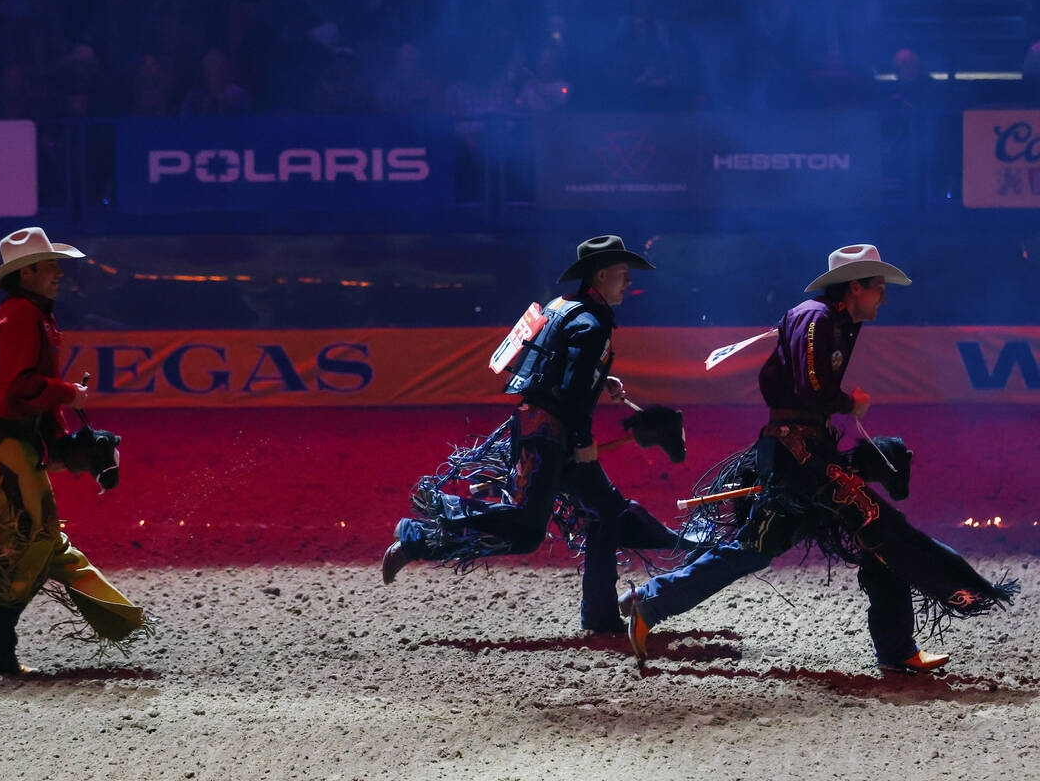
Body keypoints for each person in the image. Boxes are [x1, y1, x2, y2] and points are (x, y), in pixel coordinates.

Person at [618, 244, 1018, 673]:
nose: (884, 297)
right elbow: (813, 389)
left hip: (801, 454)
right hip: (801, 458)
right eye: (878, 288)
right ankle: (921, 628)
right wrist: (850, 402)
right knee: (882, 529)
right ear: (856, 288)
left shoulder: (830, 319)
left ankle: (652, 601)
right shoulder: (819, 319)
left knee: (764, 548)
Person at [382, 235, 691, 632]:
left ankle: (600, 615)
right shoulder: (593, 324)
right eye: (622, 274)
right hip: (553, 437)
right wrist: (581, 442)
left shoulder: (561, 307)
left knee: (604, 513)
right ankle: (416, 537)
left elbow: (550, 368)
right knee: (531, 527)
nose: (628, 282)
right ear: (600, 275)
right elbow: (574, 390)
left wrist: (601, 378)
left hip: (533, 428)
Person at [0, 227, 152, 678]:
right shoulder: (22, 315)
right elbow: (20, 386)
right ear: (27, 272)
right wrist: (68, 393)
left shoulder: (29, 314)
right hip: (7, 443)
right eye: (51, 265)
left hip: (13, 442)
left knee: (38, 546)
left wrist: (61, 445)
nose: (58, 273)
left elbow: (22, 392)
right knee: (35, 544)